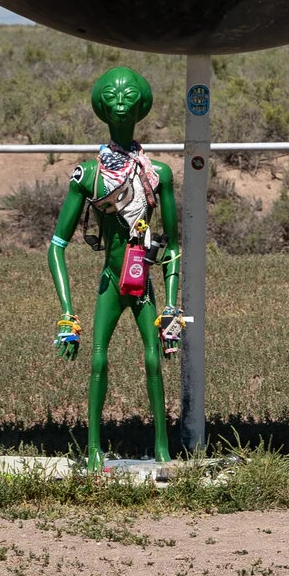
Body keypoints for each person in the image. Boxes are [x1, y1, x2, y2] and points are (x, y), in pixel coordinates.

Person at [48, 67, 184, 466]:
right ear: (101, 107)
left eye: (129, 97)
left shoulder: (157, 175)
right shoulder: (89, 175)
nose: (121, 104)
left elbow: (173, 245)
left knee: (153, 360)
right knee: (98, 360)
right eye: (112, 97)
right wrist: (67, 314)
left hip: (141, 282)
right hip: (111, 279)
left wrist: (171, 308)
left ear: (141, 105)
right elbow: (56, 246)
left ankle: (162, 448)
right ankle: (93, 449)